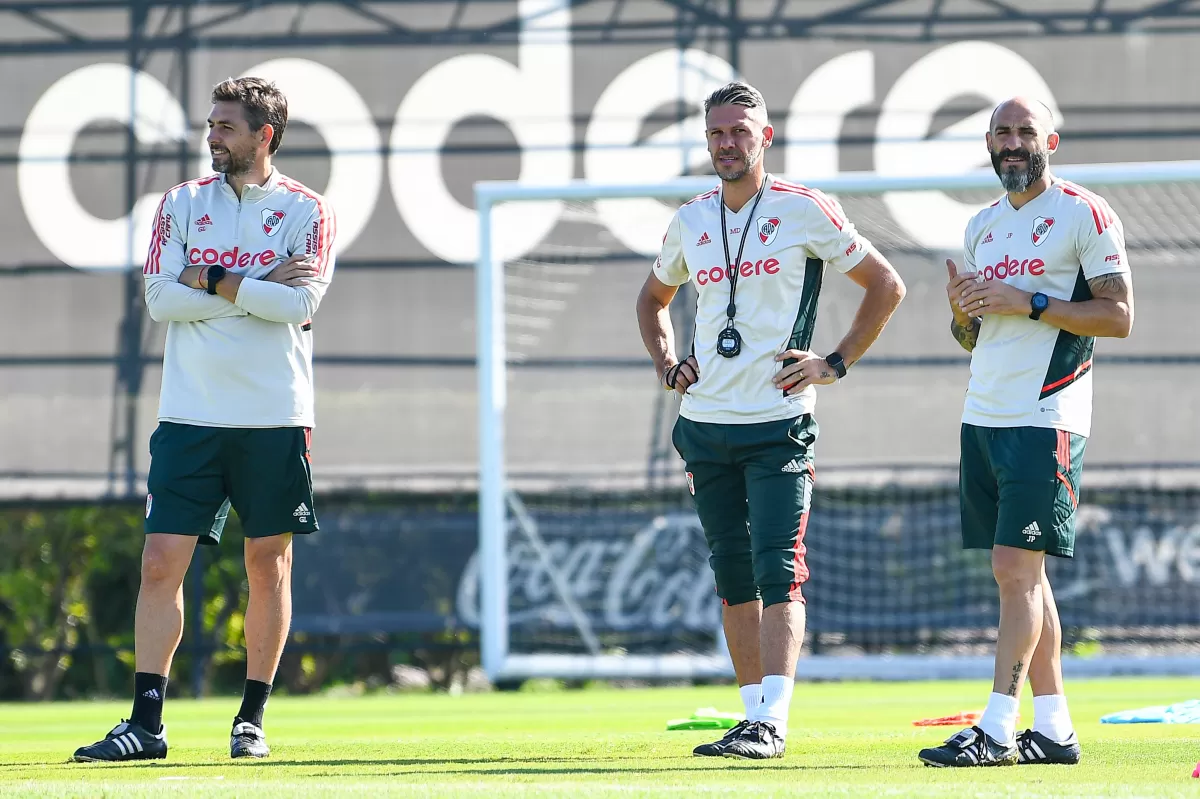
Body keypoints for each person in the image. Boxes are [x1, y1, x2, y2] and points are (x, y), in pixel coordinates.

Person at [635, 80, 905, 760]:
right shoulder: (692, 219)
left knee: (778, 567)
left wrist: (834, 362)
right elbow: (652, 299)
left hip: (780, 421)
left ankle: (774, 720)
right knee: (731, 571)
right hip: (704, 423)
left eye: (740, 132)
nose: (728, 143)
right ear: (707, 141)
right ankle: (752, 715)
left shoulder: (803, 209)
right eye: (717, 133)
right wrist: (669, 363)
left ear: (766, 138)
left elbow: (886, 284)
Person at [73, 77, 337, 762]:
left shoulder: (309, 210)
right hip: (190, 415)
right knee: (161, 562)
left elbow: (299, 305)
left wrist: (211, 279)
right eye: (211, 124)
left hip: (275, 415)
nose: (212, 136)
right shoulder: (182, 203)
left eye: (225, 126)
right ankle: (146, 724)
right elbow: (161, 298)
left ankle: (250, 719)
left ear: (263, 136)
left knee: (267, 563)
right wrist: (252, 286)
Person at [918, 97, 1134, 768]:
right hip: (983, 414)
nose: (1013, 143)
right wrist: (962, 313)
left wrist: (1033, 302)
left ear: (1051, 141)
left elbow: (1119, 315)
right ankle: (1056, 728)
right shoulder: (981, 225)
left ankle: (997, 727)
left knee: (1014, 569)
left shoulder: (1083, 212)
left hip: (1047, 416)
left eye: (1025, 132)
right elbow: (973, 337)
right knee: (1023, 579)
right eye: (1003, 133)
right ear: (988, 142)